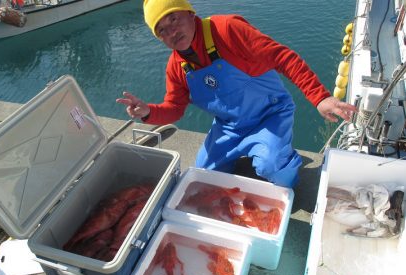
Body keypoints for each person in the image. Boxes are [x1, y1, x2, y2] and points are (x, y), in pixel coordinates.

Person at [116, 0, 357, 188]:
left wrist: (320, 97)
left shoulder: (226, 29)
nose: (172, 32)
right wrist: (148, 112)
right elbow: (174, 109)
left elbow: (281, 57)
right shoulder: (176, 67)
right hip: (229, 126)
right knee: (203, 177)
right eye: (162, 31)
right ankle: (254, 150)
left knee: (272, 169)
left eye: (174, 19)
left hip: (269, 115)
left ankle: (286, 159)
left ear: (190, 13)